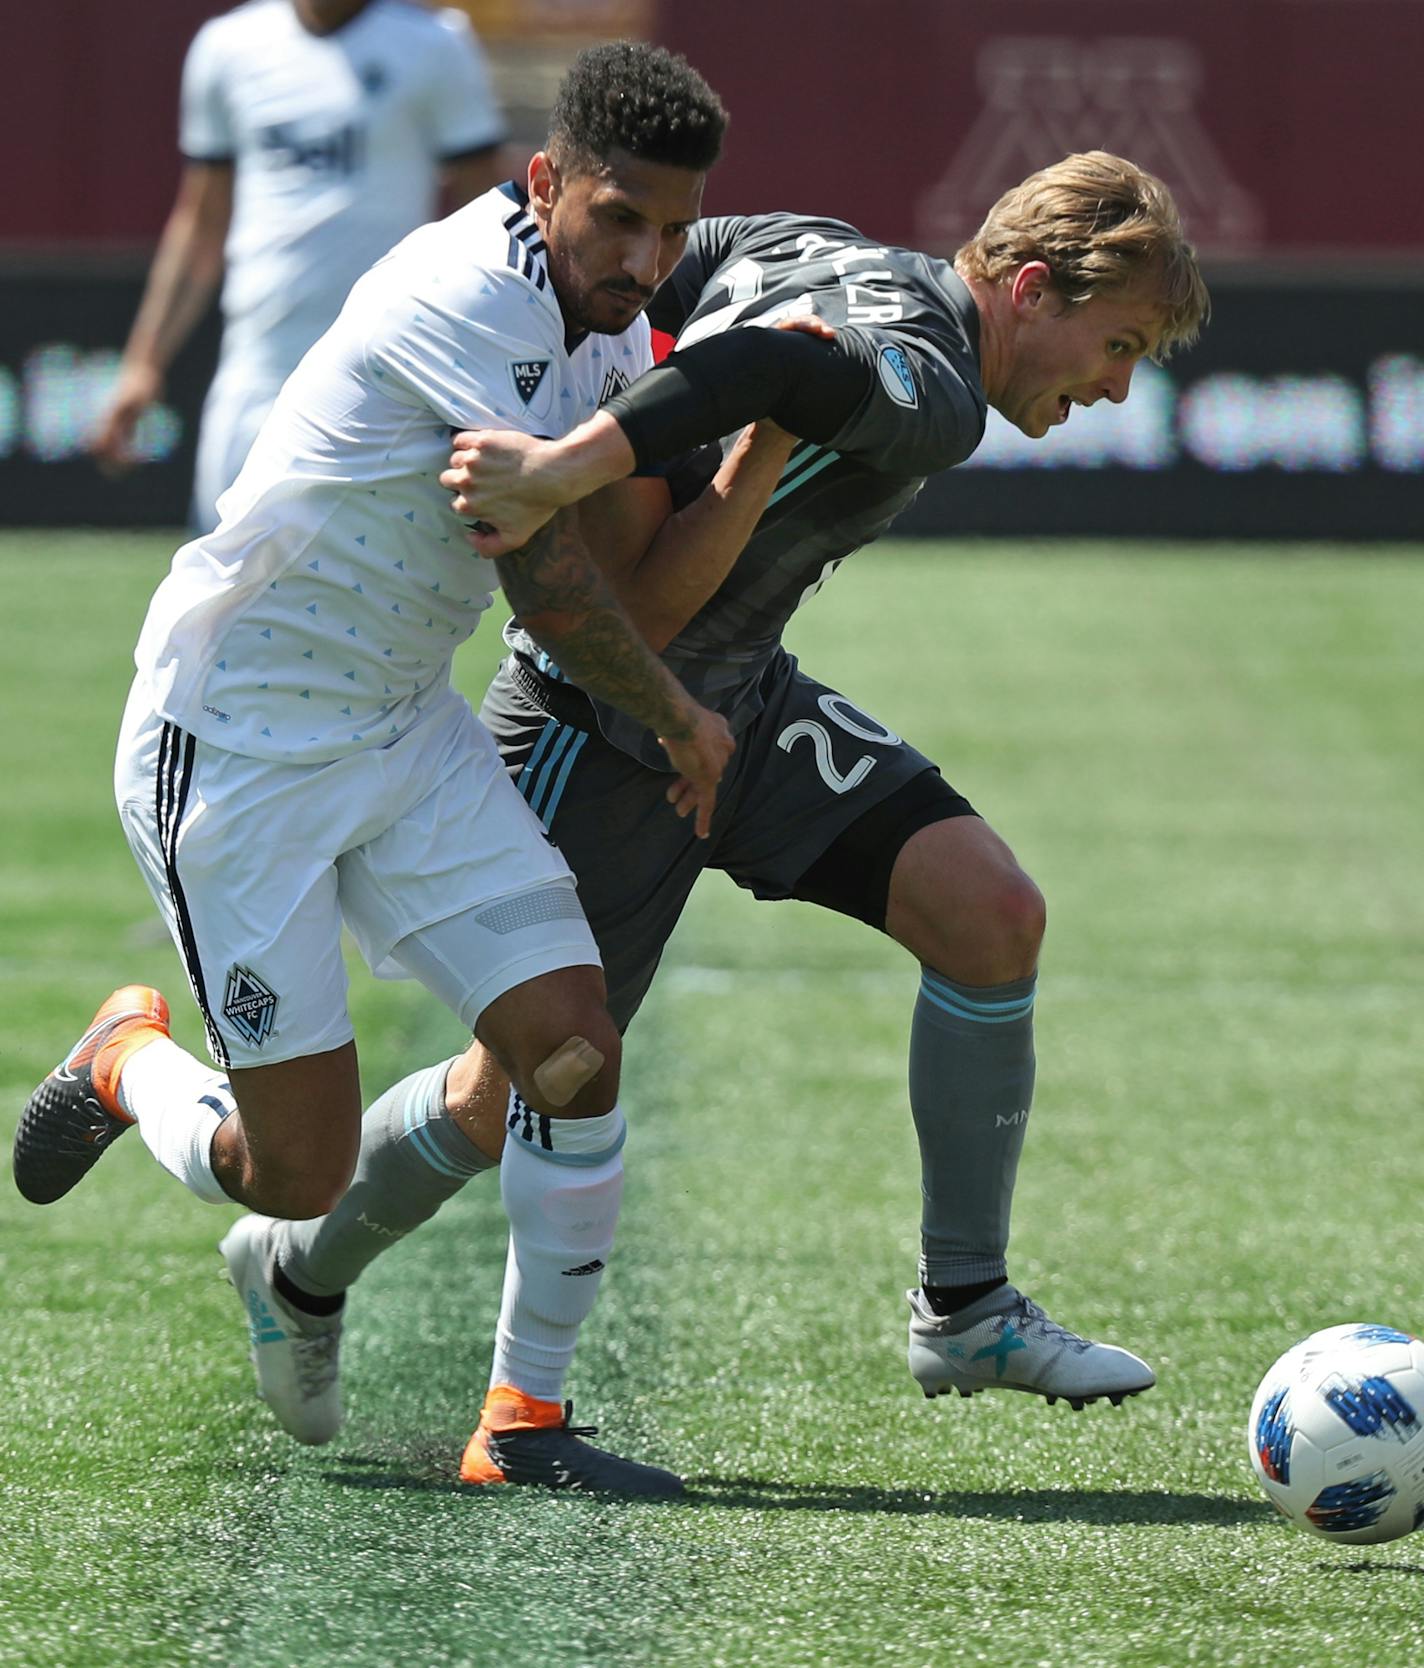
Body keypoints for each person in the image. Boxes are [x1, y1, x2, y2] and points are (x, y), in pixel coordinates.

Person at [207, 153, 1210, 1486]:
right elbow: (774, 376)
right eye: (1119, 344)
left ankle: (964, 1311)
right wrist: (569, 465)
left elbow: (658, 281)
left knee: (989, 913)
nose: (1117, 387)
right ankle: (318, 1277)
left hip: (742, 708)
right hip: (604, 730)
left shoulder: (814, 234)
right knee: (528, 1082)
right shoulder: (934, 390)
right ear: (1030, 288)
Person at [15, 42, 744, 1497]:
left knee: (572, 1048)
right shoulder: (463, 290)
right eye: (619, 218)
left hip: (405, 727)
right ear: (545, 184)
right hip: (238, 743)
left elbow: (628, 569)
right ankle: (130, 1062)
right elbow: (550, 584)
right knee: (299, 1176)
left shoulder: (614, 325)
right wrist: (678, 719)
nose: (648, 256)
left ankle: (524, 1430)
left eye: (673, 227)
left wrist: (764, 444)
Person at [91, 0, 507, 532]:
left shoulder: (436, 44)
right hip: (258, 372)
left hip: (390, 380)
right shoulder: (227, 48)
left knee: (372, 596)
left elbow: (486, 215)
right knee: (222, 596)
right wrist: (142, 363)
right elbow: (201, 223)